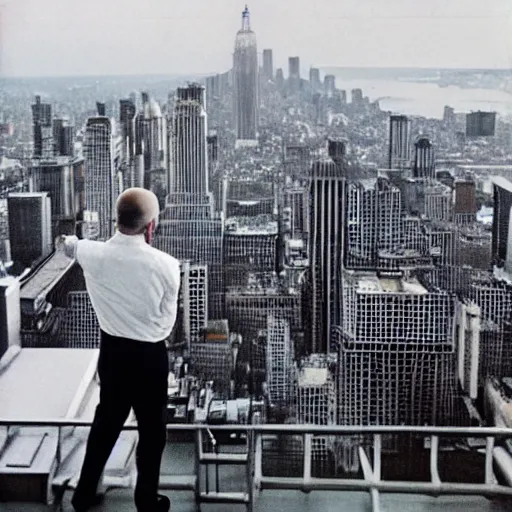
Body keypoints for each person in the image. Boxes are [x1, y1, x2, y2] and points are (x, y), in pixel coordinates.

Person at [56, 188, 181, 512]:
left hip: (112, 353)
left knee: (106, 424)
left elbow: (68, 246)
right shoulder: (167, 266)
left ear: (117, 219)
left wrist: (67, 241)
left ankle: (84, 494)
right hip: (150, 356)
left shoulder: (92, 253)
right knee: (152, 432)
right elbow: (166, 325)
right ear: (150, 226)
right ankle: (145, 500)